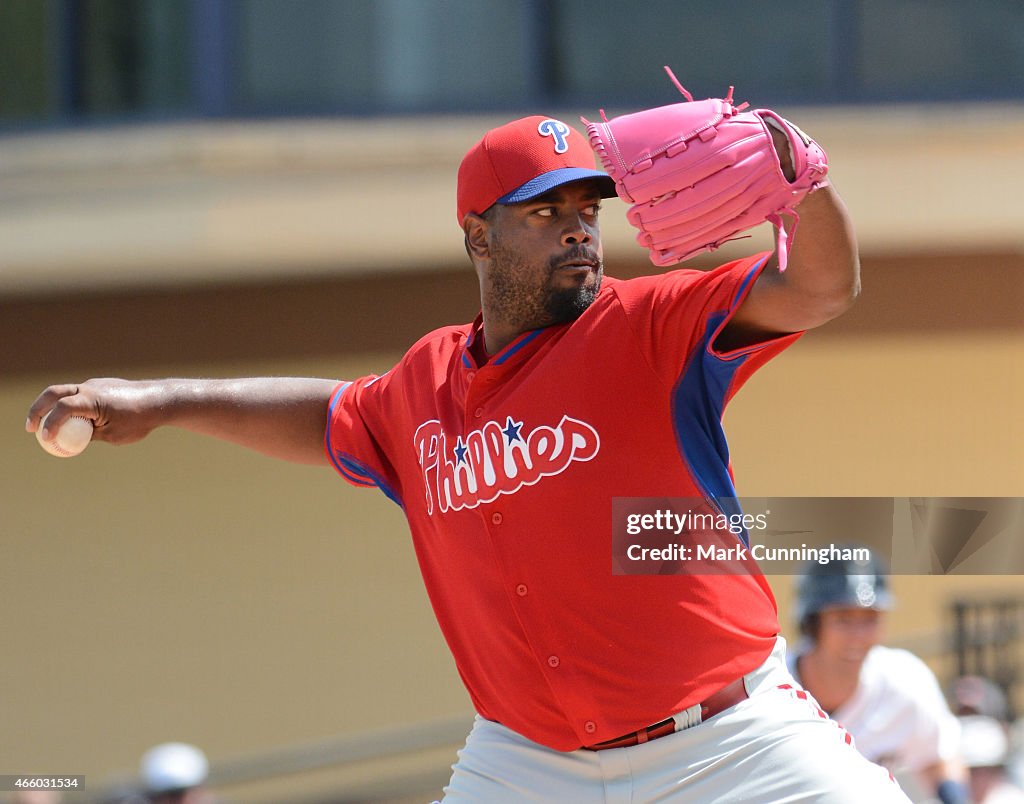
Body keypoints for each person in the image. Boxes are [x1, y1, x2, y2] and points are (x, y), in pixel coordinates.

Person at [27, 111, 909, 801]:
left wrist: (800, 179)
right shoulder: (425, 386)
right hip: (532, 765)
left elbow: (820, 287)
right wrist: (160, 401)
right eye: (546, 210)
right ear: (478, 236)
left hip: (729, 741)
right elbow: (328, 416)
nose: (578, 230)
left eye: (587, 208)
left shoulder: (648, 325)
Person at [789, 549, 968, 803]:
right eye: (843, 618)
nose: (859, 635)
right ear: (812, 623)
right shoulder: (767, 686)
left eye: (870, 618)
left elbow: (937, 757)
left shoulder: (904, 679)